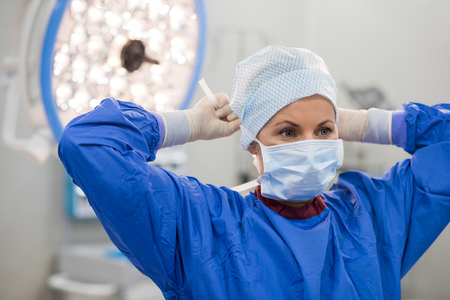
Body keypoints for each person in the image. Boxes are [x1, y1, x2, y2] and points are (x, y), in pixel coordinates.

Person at [58, 45, 450, 300]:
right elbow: (89, 143)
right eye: (288, 132)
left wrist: (365, 123)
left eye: (324, 131)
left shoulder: (372, 217)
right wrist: (188, 125)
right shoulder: (202, 226)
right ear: (253, 148)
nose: (309, 145)